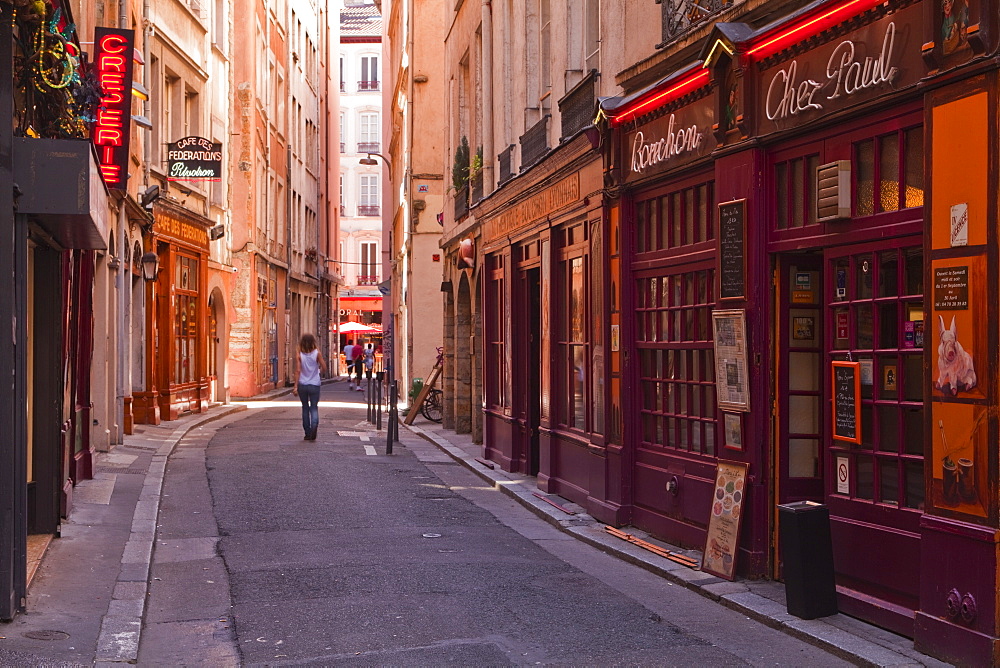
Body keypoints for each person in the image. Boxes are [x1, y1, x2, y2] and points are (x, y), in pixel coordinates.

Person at [292, 333, 326, 441]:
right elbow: (324, 366)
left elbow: (298, 370)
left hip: (302, 384)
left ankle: (307, 432)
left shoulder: (299, 354)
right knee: (314, 407)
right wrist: (318, 372)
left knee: (305, 407)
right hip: (315, 384)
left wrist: (295, 386)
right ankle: (314, 425)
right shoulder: (317, 353)